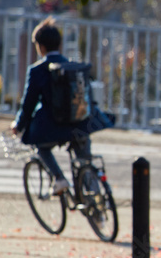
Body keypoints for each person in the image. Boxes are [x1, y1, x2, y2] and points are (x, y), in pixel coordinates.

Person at [10, 18, 111, 194]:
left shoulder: (37, 70)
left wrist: (19, 125)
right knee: (84, 160)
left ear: (40, 46)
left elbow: (28, 104)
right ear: (60, 44)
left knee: (41, 147)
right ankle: (95, 197)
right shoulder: (75, 67)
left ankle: (59, 178)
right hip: (80, 124)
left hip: (52, 128)